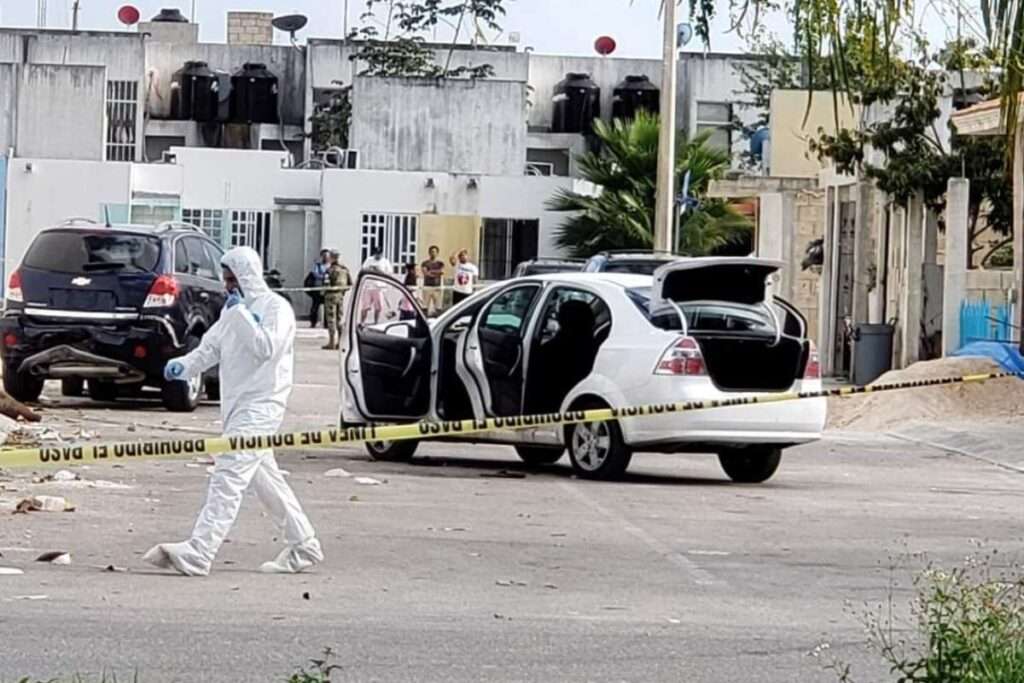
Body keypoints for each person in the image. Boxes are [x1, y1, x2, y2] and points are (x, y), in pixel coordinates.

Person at [143, 246, 323, 577]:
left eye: (232, 279)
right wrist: (184, 365)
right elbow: (210, 347)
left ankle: (200, 551)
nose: (227, 286)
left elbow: (265, 348)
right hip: (237, 407)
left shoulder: (276, 309)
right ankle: (304, 544)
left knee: (228, 476)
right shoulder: (232, 312)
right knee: (264, 478)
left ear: (247, 276)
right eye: (225, 279)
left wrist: (240, 313)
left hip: (262, 406)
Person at [323, 250, 352, 351]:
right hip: (340, 296)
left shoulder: (330, 270)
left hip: (331, 296)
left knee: (331, 319)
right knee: (339, 319)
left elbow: (326, 283)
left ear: (331, 257)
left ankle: (331, 342)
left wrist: (324, 292)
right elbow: (350, 283)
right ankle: (340, 342)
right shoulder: (345, 269)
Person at [304, 250, 330, 328]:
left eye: (327, 256)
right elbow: (315, 274)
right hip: (318, 290)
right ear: (321, 256)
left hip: (327, 290)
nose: (326, 258)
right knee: (315, 307)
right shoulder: (317, 265)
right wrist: (324, 277)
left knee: (327, 308)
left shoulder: (331, 266)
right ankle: (313, 322)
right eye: (324, 256)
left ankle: (326, 324)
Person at [420, 245, 445, 316]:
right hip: (427, 287)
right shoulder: (425, 263)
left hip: (437, 287)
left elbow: (442, 272)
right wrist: (437, 273)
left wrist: (431, 271)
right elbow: (425, 273)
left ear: (437, 253)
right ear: (429, 253)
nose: (433, 253)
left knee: (438, 307)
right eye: (431, 252)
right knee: (424, 307)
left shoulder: (440, 263)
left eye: (434, 252)